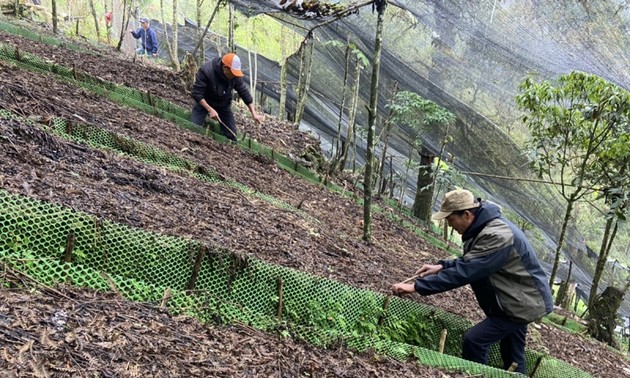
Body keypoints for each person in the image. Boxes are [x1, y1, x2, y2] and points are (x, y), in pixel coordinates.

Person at [391, 189, 553, 374]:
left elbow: (468, 270)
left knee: (475, 341)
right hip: (518, 300)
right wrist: (443, 266)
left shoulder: (497, 235)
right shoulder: (484, 227)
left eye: (451, 220)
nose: (450, 225)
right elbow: (475, 259)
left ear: (467, 214)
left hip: (521, 304)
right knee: (513, 356)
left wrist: (416, 287)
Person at [190, 53, 263, 142]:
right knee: (193, 128)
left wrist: (253, 113)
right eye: (232, 73)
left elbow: (244, 92)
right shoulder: (206, 71)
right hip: (204, 103)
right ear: (225, 68)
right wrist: (210, 109)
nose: (233, 76)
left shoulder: (235, 77)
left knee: (232, 135)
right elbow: (197, 94)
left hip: (223, 105)